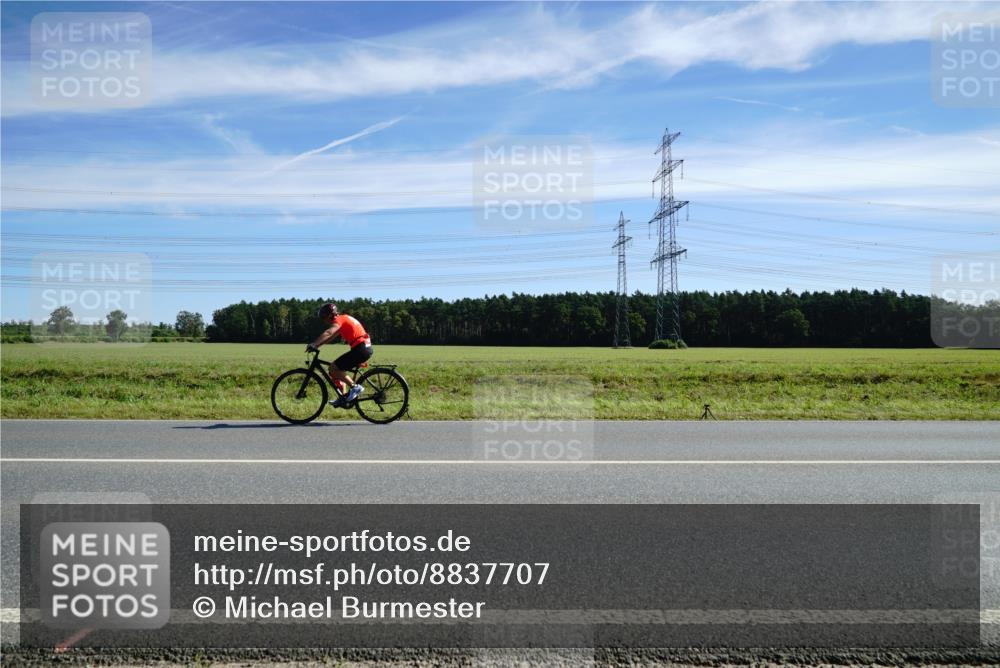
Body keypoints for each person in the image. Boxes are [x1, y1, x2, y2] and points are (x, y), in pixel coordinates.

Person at [307, 303, 372, 407]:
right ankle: (343, 397)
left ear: (329, 315)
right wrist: (317, 345)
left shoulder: (338, 320)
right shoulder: (343, 318)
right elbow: (330, 337)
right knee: (336, 370)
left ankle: (355, 387)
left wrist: (314, 344)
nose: (324, 321)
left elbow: (328, 333)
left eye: (323, 318)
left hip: (361, 349)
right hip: (363, 348)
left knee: (333, 368)